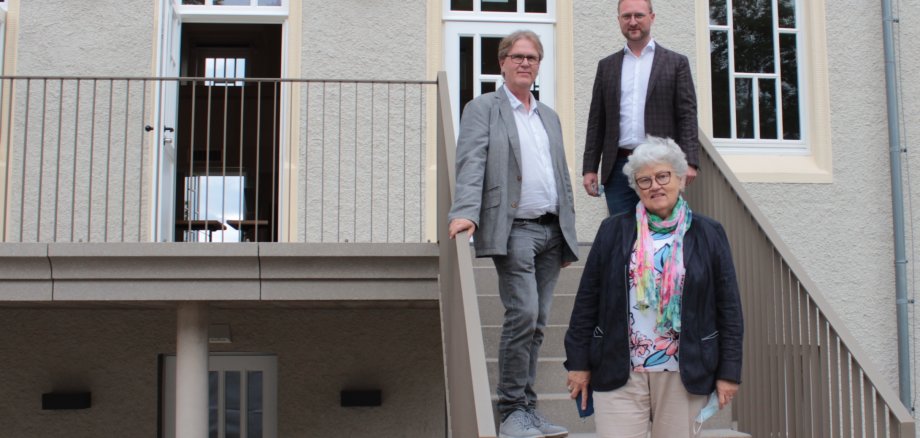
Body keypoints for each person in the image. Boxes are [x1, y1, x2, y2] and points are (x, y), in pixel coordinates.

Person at [564, 137, 743, 438]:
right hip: (619, 369)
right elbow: (587, 301)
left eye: (662, 176)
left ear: (680, 178)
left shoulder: (709, 233)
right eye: (644, 180)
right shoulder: (613, 230)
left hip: (683, 371)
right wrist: (578, 363)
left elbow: (729, 309)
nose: (654, 186)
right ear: (636, 187)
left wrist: (729, 373)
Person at [448, 30, 579, 438]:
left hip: (551, 230)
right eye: (518, 57)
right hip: (515, 229)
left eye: (532, 58)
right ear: (502, 62)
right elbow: (471, 161)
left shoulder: (548, 116)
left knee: (538, 322)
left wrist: (569, 232)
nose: (525, 63)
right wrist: (466, 213)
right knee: (521, 314)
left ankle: (528, 408)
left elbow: (561, 176)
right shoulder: (483, 108)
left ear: (539, 65)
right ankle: (510, 412)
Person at [582, 0, 700, 216]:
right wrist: (590, 167)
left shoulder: (676, 63)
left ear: (651, 18)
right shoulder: (606, 66)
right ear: (619, 20)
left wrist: (690, 161)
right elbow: (596, 121)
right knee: (623, 236)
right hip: (618, 167)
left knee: (661, 233)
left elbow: (687, 116)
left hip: (661, 165)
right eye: (626, 17)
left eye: (639, 15)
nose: (633, 22)